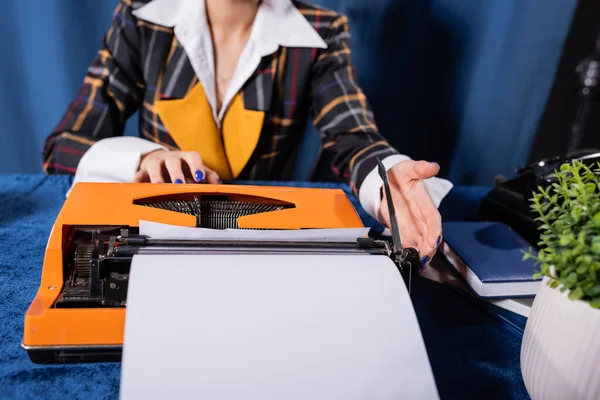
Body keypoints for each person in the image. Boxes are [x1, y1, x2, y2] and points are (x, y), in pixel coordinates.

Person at [42, 0, 453, 268]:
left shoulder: (322, 32)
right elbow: (64, 146)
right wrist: (143, 159)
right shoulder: (138, 20)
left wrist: (389, 178)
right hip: (155, 244)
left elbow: (353, 136)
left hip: (266, 247)